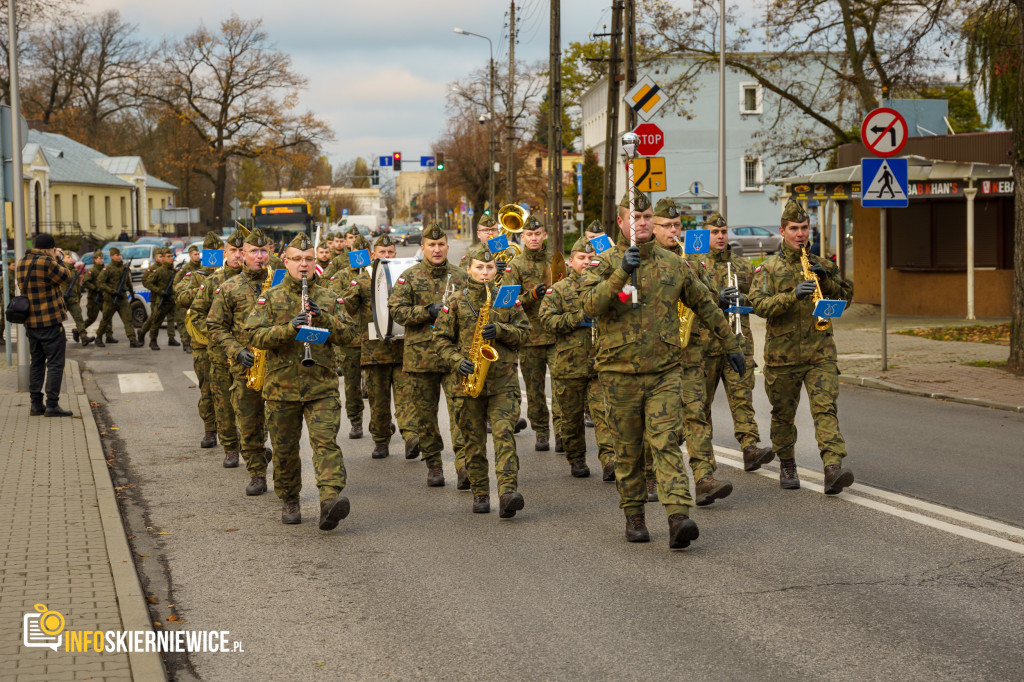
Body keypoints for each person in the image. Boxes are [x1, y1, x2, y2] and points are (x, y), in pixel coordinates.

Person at [579, 192, 746, 549]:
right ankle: (635, 514)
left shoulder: (673, 265)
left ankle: (677, 516)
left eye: (647, 217)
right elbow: (592, 305)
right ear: (622, 223)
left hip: (664, 372)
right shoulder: (605, 263)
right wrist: (623, 270)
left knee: (666, 443)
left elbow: (705, 304)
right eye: (635, 218)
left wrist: (732, 345)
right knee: (627, 450)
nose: (642, 223)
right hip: (618, 373)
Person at [243, 232, 357, 530]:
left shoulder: (330, 296)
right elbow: (254, 335)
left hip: (322, 386)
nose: (303, 265)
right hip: (282, 389)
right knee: (284, 449)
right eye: (297, 259)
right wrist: (287, 329)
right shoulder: (272, 296)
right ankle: (290, 498)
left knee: (325, 443)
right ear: (286, 261)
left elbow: (350, 335)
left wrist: (325, 320)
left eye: (309, 259)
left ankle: (329, 500)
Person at [748, 200, 855, 494]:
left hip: (819, 353)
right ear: (782, 231)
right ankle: (787, 463)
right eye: (794, 228)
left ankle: (832, 468)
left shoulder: (823, 263)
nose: (800, 234)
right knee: (783, 414)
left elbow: (846, 298)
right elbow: (758, 305)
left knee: (825, 410)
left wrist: (827, 281)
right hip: (782, 357)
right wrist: (792, 296)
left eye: (804, 228)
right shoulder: (768, 268)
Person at [433, 243, 530, 517]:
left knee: (504, 435)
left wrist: (500, 330)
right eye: (479, 268)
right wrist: (456, 360)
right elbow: (439, 340)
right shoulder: (454, 302)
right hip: (468, 383)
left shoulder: (508, 298)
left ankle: (508, 492)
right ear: (469, 270)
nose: (485, 273)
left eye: (489, 268)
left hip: (503, 382)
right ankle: (480, 493)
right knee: (473, 441)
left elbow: (525, 333)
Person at [650, 197, 736, 506]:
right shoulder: (642, 259)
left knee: (696, 413)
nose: (673, 231)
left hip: (691, 350)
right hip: (656, 355)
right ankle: (649, 474)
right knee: (659, 420)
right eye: (667, 226)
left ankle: (703, 478)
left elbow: (707, 299)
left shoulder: (691, 260)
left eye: (677, 225)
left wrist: (730, 343)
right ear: (652, 227)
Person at [388, 223, 468, 487]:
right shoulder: (408, 277)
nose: (436, 249)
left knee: (461, 415)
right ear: (422, 248)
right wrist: (426, 311)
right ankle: (434, 464)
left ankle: (464, 467)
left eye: (441, 244)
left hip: (454, 358)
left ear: (447, 246)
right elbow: (396, 312)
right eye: (431, 245)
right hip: (421, 358)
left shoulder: (461, 276)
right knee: (426, 417)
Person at [699, 212, 775, 471]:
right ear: (704, 233)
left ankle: (750, 447)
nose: (720, 237)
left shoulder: (743, 266)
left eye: (723, 232)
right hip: (705, 347)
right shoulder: (695, 264)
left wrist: (746, 301)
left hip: (738, 343)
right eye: (714, 232)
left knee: (742, 398)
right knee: (701, 405)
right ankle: (703, 457)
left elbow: (759, 301)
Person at [539, 236, 616, 480]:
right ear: (571, 262)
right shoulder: (559, 289)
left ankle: (610, 461)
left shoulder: (604, 287)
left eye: (591, 258)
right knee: (571, 420)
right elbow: (547, 320)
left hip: (599, 363)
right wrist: (577, 318)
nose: (586, 261)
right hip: (569, 366)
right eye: (581, 258)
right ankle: (577, 458)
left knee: (604, 414)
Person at [208, 228, 274, 496]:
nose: (259, 257)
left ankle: (280, 471)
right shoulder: (229, 287)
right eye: (253, 252)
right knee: (248, 422)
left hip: (280, 366)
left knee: (278, 423)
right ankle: (257, 473)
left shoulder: (280, 283)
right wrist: (236, 351)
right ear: (242, 255)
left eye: (263, 251)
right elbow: (214, 326)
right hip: (246, 366)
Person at [340, 235, 416, 459]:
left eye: (391, 252)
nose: (387, 256)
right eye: (382, 252)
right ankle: (381, 440)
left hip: (402, 350)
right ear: (373, 255)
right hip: (374, 352)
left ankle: (411, 437)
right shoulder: (364, 280)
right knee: (379, 401)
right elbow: (347, 307)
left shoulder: (404, 277)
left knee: (406, 399)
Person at [189, 230, 245, 467]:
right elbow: (196, 314)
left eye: (243, 251)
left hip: (249, 356)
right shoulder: (213, 281)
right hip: (221, 355)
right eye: (233, 250)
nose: (238, 256)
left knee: (251, 406)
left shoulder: (259, 279)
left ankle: (255, 448)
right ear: (225, 253)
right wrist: (214, 335)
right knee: (223, 405)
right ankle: (231, 448)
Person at [505, 215, 561, 452]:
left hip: (556, 334)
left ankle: (562, 433)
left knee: (561, 388)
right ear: (522, 237)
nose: (534, 238)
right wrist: (531, 297)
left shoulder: (555, 260)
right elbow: (507, 302)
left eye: (538, 234)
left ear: (544, 235)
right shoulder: (516, 265)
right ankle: (541, 431)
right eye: (529, 235)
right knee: (535, 390)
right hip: (530, 338)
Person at [15, 233, 73, 416]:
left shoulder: (21, 262)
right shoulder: (47, 263)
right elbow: (66, 277)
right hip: (49, 321)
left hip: (31, 322)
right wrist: (59, 259)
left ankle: (35, 404)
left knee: (37, 363)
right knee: (55, 364)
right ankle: (52, 405)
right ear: (49, 248)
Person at [175, 232, 223, 449]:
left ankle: (233, 431)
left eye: (218, 252)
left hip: (226, 342)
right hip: (202, 342)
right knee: (207, 388)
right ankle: (210, 430)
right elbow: (181, 298)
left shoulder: (231, 275)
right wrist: (205, 289)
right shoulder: (195, 275)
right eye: (211, 253)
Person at [325, 241, 366, 439]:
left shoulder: (377, 273)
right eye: (356, 252)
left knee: (377, 385)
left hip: (374, 338)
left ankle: (381, 422)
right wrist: (355, 288)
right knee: (352, 384)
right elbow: (334, 301)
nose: (359, 255)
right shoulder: (341, 276)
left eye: (363, 252)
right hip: (351, 339)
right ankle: (356, 421)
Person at [95, 247, 142, 347]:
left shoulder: (123, 268)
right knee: (106, 319)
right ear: (112, 256)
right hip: (110, 299)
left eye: (120, 255)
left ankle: (132, 339)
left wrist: (132, 294)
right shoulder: (107, 269)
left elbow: (128, 282)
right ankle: (98, 337)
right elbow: (100, 282)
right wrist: (112, 291)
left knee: (127, 318)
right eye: (117, 255)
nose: (119, 257)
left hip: (122, 298)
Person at [137, 248, 181, 350]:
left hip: (169, 299)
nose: (162, 259)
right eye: (160, 257)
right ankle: (143, 332)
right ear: (156, 257)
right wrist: (158, 290)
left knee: (171, 319)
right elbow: (146, 281)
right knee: (154, 319)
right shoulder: (153, 269)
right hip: (156, 299)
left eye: (171, 257)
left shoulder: (171, 269)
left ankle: (171, 337)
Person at [173, 244, 205, 353]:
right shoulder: (185, 269)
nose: (197, 256)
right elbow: (176, 284)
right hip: (187, 300)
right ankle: (185, 343)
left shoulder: (202, 267)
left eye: (198, 254)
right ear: (190, 255)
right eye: (195, 254)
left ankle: (194, 342)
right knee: (184, 322)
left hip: (198, 300)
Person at [61, 251, 93, 346]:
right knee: (58, 320)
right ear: (63, 259)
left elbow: (78, 287)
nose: (70, 259)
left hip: (73, 300)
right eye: (68, 257)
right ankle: (60, 338)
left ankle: (83, 337)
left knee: (79, 318)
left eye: (71, 257)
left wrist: (78, 298)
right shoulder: (61, 270)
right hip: (62, 300)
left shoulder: (75, 271)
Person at [81, 250, 105, 335]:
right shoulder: (92, 270)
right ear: (95, 259)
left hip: (104, 297)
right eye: (99, 258)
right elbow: (85, 282)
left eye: (102, 258)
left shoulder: (105, 270)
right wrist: (95, 288)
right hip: (94, 298)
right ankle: (78, 331)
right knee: (92, 318)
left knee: (107, 316)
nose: (101, 260)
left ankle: (109, 335)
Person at [0, 260, 15, 347]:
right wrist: (13, 292)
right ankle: (0, 336)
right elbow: (2, 287)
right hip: (7, 300)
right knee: (4, 320)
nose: (14, 266)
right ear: (9, 266)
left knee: (8, 320)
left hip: (12, 300)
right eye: (13, 265)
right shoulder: (7, 274)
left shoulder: (13, 273)